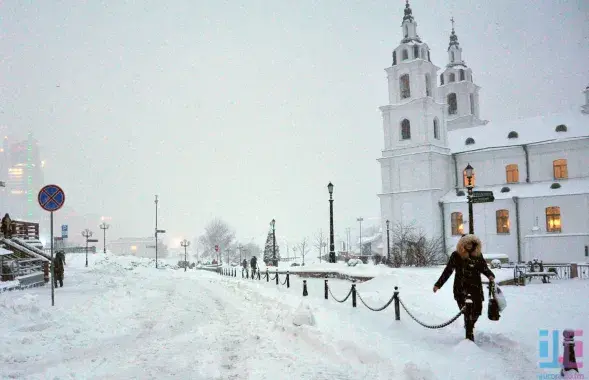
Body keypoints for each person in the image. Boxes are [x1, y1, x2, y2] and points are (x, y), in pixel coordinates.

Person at [433, 234, 495, 342]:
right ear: (462, 244)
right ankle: (469, 336)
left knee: (477, 311)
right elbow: (448, 271)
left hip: (476, 288)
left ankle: (469, 326)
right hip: (461, 289)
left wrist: (490, 275)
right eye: (467, 243)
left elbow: (484, 268)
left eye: (471, 243)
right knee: (466, 312)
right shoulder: (456, 255)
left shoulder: (478, 255)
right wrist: (438, 284)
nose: (469, 245)